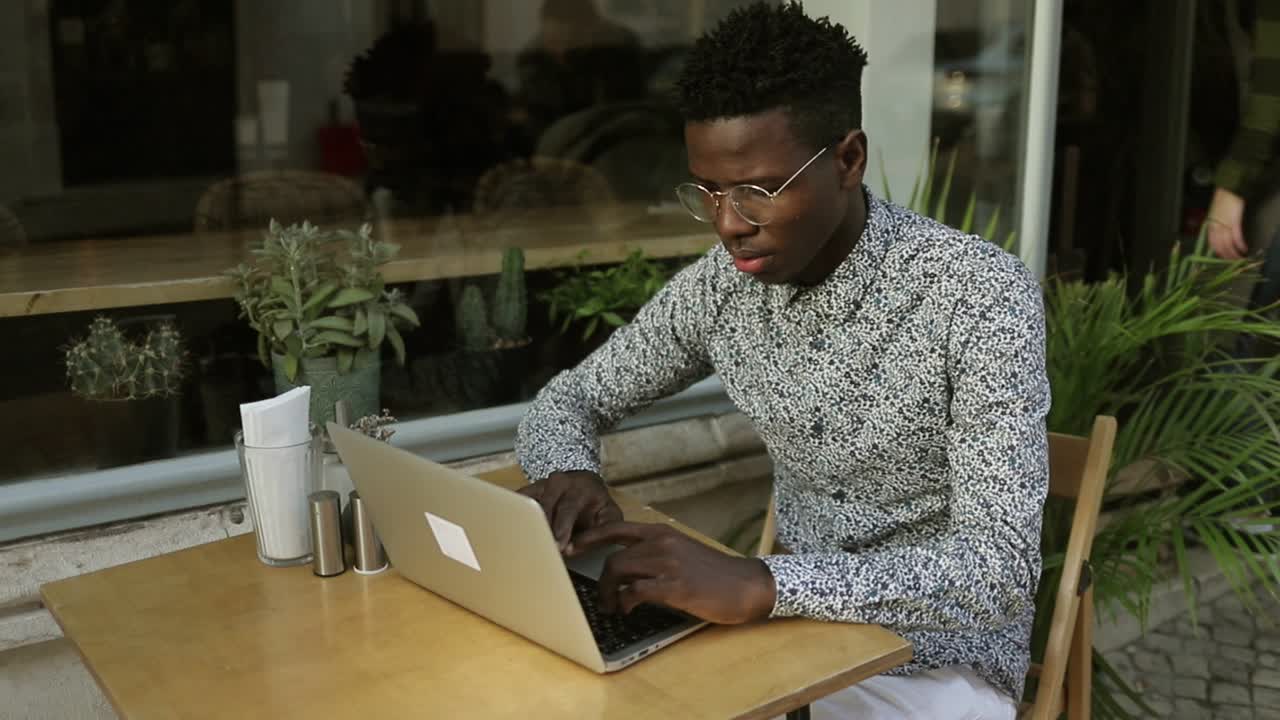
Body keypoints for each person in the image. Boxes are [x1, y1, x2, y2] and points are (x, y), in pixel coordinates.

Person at [514, 4, 1049, 718]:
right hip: (780, 631)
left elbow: (998, 573)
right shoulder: (723, 286)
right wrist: (567, 468)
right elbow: (569, 398)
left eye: (758, 190)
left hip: (938, 664)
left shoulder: (977, 294)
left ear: (848, 160)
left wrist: (766, 585)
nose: (728, 223)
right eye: (707, 190)